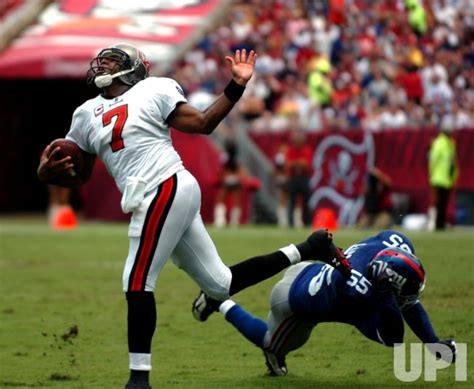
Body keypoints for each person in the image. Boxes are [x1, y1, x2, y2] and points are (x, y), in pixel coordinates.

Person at [36, 43, 352, 389]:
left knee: (137, 279)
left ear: (133, 69)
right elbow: (78, 173)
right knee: (220, 284)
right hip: (157, 194)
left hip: (164, 184)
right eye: (103, 60)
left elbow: (203, 123)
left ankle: (138, 380)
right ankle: (310, 247)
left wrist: (236, 86)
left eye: (113, 61)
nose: (102, 66)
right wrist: (46, 172)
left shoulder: (154, 88)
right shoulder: (85, 113)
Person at [215, 230, 457, 376]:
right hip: (290, 302)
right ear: (383, 284)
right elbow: (394, 337)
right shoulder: (358, 291)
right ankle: (221, 303)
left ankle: (219, 300)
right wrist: (384, 293)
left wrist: (433, 342)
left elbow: (406, 303)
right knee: (270, 342)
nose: (409, 298)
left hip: (311, 269)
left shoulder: (392, 244)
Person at [427, 121, 458, 231]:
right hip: (438, 177)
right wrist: (432, 173)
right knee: (436, 201)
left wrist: (453, 175)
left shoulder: (451, 144)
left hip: (447, 178)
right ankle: (432, 223)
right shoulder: (439, 142)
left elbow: (453, 161)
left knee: (443, 203)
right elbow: (433, 159)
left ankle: (439, 224)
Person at [285, 130, 313, 228]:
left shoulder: (306, 150)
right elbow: (288, 164)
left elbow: (306, 164)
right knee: (291, 201)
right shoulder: (290, 150)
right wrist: (299, 163)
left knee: (306, 201)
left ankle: (306, 222)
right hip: (293, 178)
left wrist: (295, 163)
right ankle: (290, 222)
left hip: (304, 178)